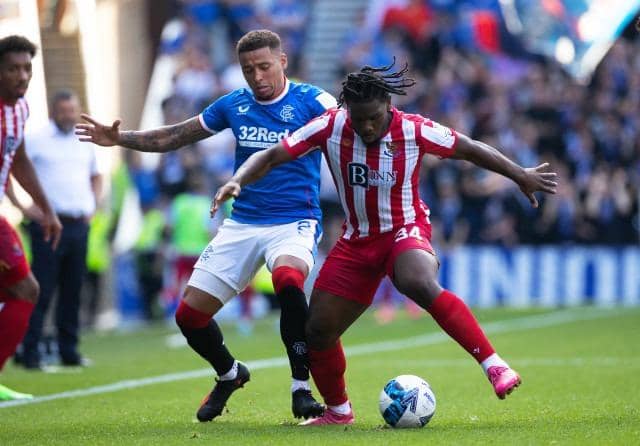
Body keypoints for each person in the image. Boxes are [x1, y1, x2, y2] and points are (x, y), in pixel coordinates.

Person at [212, 62, 558, 425]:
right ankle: (338, 412)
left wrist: (520, 174)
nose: (366, 127)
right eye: (359, 119)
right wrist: (239, 180)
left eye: (374, 118)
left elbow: (469, 148)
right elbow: (272, 155)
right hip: (356, 241)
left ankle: (494, 366)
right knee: (317, 330)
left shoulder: (414, 129)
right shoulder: (331, 125)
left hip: (403, 230)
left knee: (417, 281)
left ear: (389, 106)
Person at [75, 29, 336, 421]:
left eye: (264, 66)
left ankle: (301, 388)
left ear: (282, 62)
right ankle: (229, 374)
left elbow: (348, 139)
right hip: (243, 221)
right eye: (248, 70)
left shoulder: (315, 101)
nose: (257, 77)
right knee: (189, 317)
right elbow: (175, 135)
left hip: (294, 220)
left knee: (287, 279)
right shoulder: (234, 104)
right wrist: (121, 139)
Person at [19, 89, 102, 369]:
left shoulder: (85, 140)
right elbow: (12, 170)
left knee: (73, 290)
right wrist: (22, 207)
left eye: (72, 110)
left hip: (79, 224)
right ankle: (30, 352)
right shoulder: (36, 140)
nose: (68, 115)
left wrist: (94, 203)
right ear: (53, 111)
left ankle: (69, 351)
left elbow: (96, 175)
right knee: (41, 288)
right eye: (63, 110)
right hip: (48, 225)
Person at [0, 35, 62, 400]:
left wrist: (45, 208)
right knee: (26, 289)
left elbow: (18, 159)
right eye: (12, 69)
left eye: (26, 69)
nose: (22, 76)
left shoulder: (20, 109)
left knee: (19, 290)